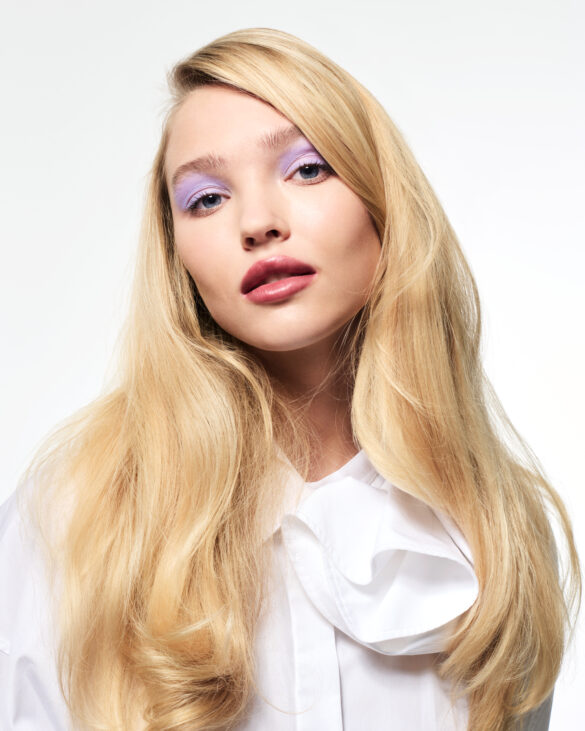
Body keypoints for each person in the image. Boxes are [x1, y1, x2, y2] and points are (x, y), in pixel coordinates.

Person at [0, 27, 581, 731]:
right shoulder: (76, 510)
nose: (257, 223)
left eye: (306, 169)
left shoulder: (494, 526)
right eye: (206, 199)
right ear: (178, 254)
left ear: (381, 199)